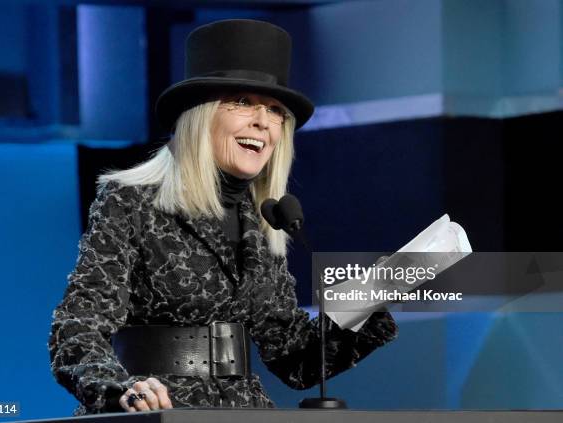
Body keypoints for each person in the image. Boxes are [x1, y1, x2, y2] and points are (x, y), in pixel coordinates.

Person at [48, 19, 398, 415]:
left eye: (274, 110)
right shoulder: (131, 201)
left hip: (242, 412)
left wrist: (371, 295)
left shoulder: (264, 219)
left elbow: (295, 359)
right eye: (243, 102)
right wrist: (120, 389)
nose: (262, 122)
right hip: (156, 414)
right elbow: (77, 328)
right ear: (201, 114)